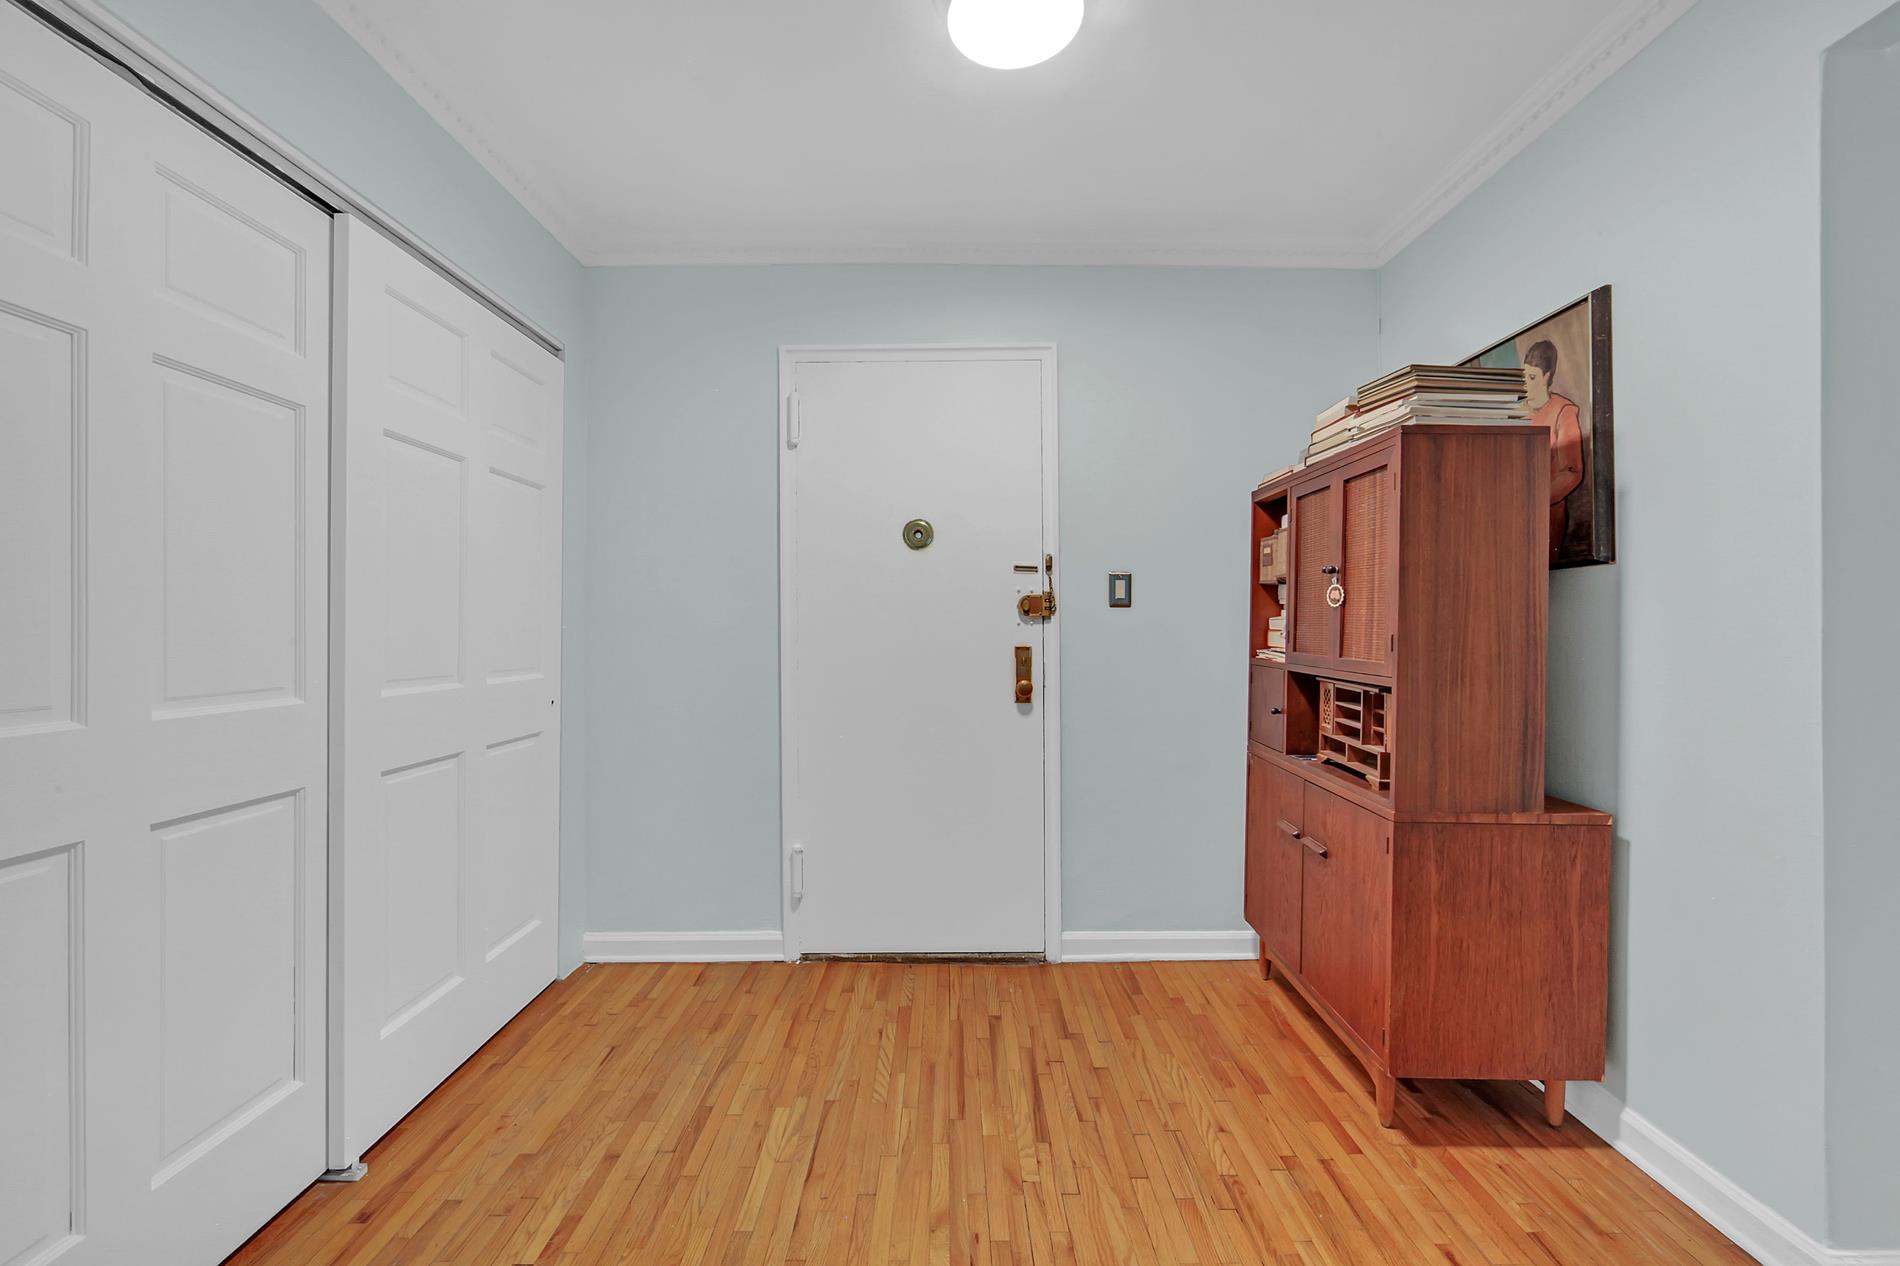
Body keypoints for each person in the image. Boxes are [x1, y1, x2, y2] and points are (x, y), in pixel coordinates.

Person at [1523, 339, 1583, 558]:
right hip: (1510, 512)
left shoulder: (1563, 411)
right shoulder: (1514, 413)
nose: (1525, 384)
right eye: (1524, 377)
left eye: (1532, 378)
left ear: (1546, 376)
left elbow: (1571, 472)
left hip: (1546, 515)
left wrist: (1533, 501)